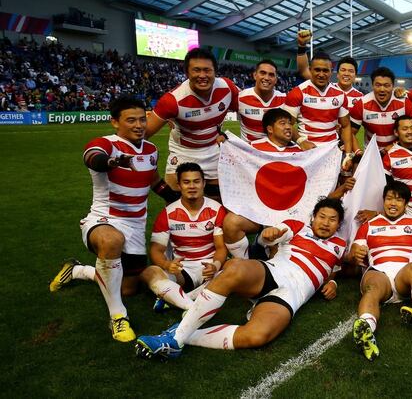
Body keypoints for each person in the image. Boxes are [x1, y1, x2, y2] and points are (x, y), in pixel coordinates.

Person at [135, 198, 347, 360]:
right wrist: (270, 234)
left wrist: (332, 281)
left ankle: (183, 332)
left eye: (332, 219)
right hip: (274, 272)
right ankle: (175, 341)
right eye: (322, 216)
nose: (325, 223)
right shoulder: (298, 227)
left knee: (257, 336)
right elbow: (276, 233)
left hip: (291, 296)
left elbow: (334, 268)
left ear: (338, 224)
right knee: (235, 267)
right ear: (313, 217)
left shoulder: (341, 245)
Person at [49, 95, 178, 342]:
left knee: (128, 289)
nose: (139, 125)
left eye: (142, 119)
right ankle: (118, 317)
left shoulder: (151, 150)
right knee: (112, 242)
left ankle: (76, 271)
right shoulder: (106, 144)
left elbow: (154, 182)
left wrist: (177, 199)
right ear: (115, 122)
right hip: (103, 221)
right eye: (131, 120)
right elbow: (92, 158)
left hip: (135, 228)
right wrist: (113, 161)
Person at [349, 182, 412, 361]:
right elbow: (355, 253)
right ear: (383, 200)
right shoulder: (369, 225)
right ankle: (366, 331)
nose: (393, 203)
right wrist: (356, 253)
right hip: (379, 273)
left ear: (406, 204)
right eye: (389, 198)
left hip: (404, 276)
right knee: (372, 288)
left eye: (399, 200)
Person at [145, 48, 239, 200]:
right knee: (176, 206)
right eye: (196, 70)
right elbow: (144, 133)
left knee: (218, 205)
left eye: (207, 70)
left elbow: (245, 111)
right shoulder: (172, 100)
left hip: (213, 151)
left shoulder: (228, 88)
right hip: (183, 152)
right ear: (187, 73)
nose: (202, 75)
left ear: (215, 72)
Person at [141, 163, 227, 311]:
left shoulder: (216, 209)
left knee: (233, 268)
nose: (192, 186)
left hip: (211, 269)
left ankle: (174, 297)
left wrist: (215, 266)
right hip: (183, 270)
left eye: (196, 181)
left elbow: (220, 247)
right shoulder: (167, 213)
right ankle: (191, 306)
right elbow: (156, 250)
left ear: (204, 183)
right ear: (179, 185)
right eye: (186, 182)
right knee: (149, 273)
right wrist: (167, 265)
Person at [222, 108, 303, 260]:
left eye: (290, 124)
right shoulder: (252, 147)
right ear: (270, 129)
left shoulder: (300, 152)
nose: (288, 127)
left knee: (279, 255)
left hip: (288, 212)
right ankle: (244, 261)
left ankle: (263, 247)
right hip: (258, 211)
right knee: (231, 223)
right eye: (282, 123)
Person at [284, 52, 354, 171]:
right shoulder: (298, 92)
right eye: (317, 70)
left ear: (331, 71)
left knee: (331, 187)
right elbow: (285, 124)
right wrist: (301, 141)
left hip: (332, 151)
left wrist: (348, 154)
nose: (321, 74)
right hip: (307, 152)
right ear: (310, 70)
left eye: (325, 70)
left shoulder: (340, 95)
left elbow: (346, 125)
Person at [349, 67, 412, 153]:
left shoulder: (404, 102)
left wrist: (395, 145)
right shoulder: (362, 104)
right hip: (372, 156)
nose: (382, 89)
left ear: (393, 86)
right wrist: (358, 152)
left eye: (387, 85)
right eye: (378, 85)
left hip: (398, 153)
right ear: (372, 85)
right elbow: (350, 132)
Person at [297, 30, 364, 107]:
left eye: (350, 71)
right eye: (343, 70)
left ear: (355, 75)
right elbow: (304, 70)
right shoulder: (325, 87)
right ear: (337, 74)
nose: (346, 74)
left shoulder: (360, 97)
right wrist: (301, 46)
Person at [237, 59, 285, 142]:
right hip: (249, 152)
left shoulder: (284, 99)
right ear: (255, 75)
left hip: (274, 152)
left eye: (271, 75)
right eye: (262, 73)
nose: (266, 78)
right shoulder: (240, 98)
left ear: (276, 80)